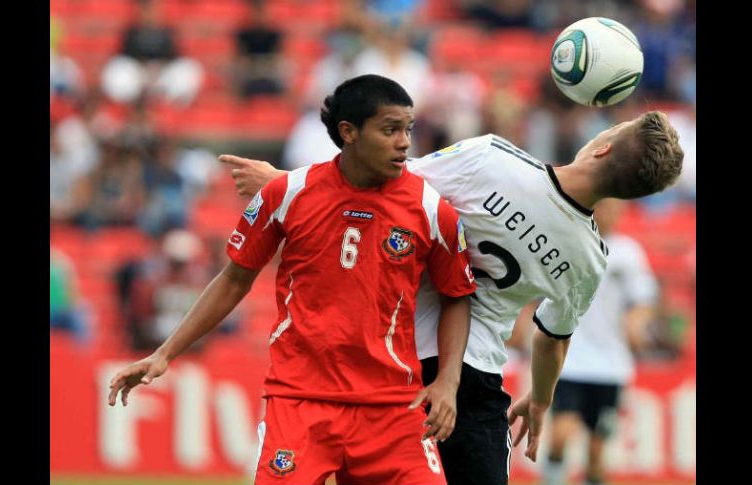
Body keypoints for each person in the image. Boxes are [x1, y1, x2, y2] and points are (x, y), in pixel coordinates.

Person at [221, 109, 684, 485]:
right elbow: (551, 339)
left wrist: (285, 181)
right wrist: (541, 399)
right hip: (472, 380)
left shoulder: (493, 159)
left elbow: (387, 182)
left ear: (602, 147)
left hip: (390, 360)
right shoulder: (590, 258)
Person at [108, 74, 476, 485]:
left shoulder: (431, 210)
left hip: (392, 405)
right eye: (390, 130)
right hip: (300, 400)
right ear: (349, 132)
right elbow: (233, 280)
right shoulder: (287, 194)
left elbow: (457, 295)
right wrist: (164, 353)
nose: (404, 143)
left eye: (408, 129)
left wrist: (447, 382)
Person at [540, 198, 658, 485]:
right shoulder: (569, 244)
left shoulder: (629, 253)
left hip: (612, 367)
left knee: (596, 450)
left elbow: (643, 300)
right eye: (606, 207)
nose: (612, 214)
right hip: (571, 362)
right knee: (560, 435)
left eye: (617, 209)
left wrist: (637, 320)